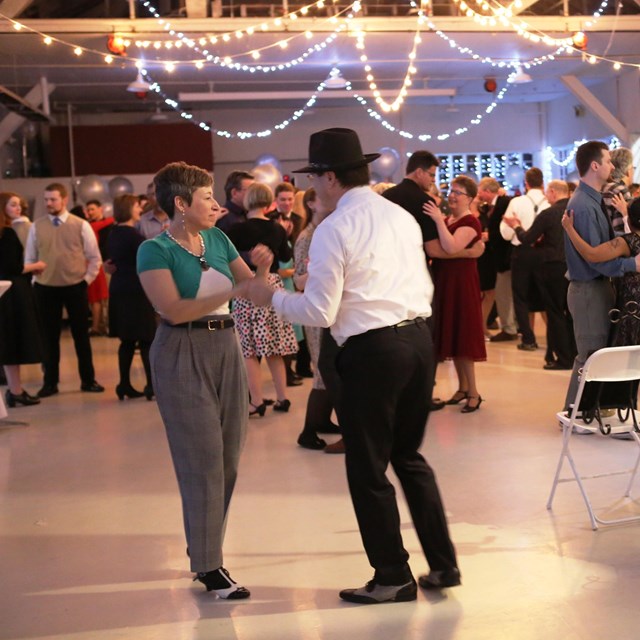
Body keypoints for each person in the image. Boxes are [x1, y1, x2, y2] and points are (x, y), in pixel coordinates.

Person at [247, 128, 459, 604]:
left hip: (374, 351)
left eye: (315, 177)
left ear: (329, 178)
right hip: (418, 341)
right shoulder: (399, 215)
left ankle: (392, 576)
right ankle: (443, 566)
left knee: (367, 467)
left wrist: (272, 297)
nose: (313, 188)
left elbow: (320, 312)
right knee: (408, 457)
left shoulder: (334, 228)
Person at [137, 161, 268, 598]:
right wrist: (234, 289)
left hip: (226, 346)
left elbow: (250, 288)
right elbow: (173, 310)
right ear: (180, 203)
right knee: (203, 461)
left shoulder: (217, 237)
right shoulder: (154, 250)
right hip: (181, 351)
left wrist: (269, 276)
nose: (215, 204)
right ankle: (210, 566)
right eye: (206, 197)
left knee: (227, 458)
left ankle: (205, 552)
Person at [562, 140, 640, 414]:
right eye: (607, 161)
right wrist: (632, 264)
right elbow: (595, 259)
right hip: (588, 288)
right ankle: (576, 413)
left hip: (596, 287)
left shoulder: (592, 200)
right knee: (589, 356)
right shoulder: (583, 205)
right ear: (594, 166)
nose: (611, 166)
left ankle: (588, 410)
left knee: (595, 354)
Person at [24, 183, 104, 397]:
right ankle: (50, 382)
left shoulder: (80, 225)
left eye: (53, 199)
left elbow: (95, 257)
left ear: (64, 199)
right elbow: (30, 257)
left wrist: (85, 281)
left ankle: (88, 380)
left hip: (75, 286)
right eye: (46, 200)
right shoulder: (37, 226)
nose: (49, 203)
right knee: (49, 338)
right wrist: (34, 282)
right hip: (45, 288)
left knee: (81, 336)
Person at [226, 183, 299, 415]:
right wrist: (286, 235)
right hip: (273, 287)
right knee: (275, 349)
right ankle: (282, 397)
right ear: (269, 202)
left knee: (250, 350)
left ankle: (256, 401)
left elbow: (227, 261)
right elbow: (287, 256)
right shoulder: (277, 229)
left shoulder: (237, 230)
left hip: (248, 288)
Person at [424, 175, 486, 413]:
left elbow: (448, 247)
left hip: (461, 285)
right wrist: (468, 253)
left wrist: (439, 221)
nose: (451, 195)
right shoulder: (452, 219)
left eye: (457, 192)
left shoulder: (470, 222)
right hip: (447, 282)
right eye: (451, 190)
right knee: (455, 335)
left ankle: (474, 392)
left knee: (465, 337)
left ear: (469, 198)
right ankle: (462, 388)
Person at [503, 180, 576, 369]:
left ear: (552, 192)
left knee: (555, 313)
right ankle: (572, 354)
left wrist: (516, 225)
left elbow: (527, 239)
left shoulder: (549, 214)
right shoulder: (576, 209)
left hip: (553, 267)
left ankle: (563, 358)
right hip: (575, 266)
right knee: (571, 313)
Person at [293, 188, 341, 451]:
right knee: (324, 372)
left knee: (330, 369)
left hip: (329, 308)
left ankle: (322, 420)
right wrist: (324, 271)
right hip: (315, 310)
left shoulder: (327, 231)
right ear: (311, 204)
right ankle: (308, 431)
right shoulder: (307, 237)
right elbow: (298, 278)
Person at [563, 198, 640, 347]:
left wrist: (569, 229)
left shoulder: (628, 242)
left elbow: (592, 255)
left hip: (633, 310)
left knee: (627, 361)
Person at [107, 194, 156, 401]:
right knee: (146, 339)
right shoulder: (132, 235)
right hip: (135, 289)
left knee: (127, 340)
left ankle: (124, 384)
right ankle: (151, 385)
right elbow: (149, 257)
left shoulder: (112, 233)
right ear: (129, 208)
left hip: (119, 286)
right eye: (137, 206)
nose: (140, 209)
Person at [0, 192, 46, 407]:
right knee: (13, 342)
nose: (18, 209)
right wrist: (35, 267)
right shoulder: (7, 233)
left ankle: (15, 389)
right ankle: (15, 390)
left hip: (8, 291)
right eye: (13, 205)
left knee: (9, 343)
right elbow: (12, 267)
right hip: (12, 293)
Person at [499, 168, 550, 351]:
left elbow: (505, 233)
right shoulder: (549, 202)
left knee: (521, 297)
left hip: (521, 253)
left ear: (526, 183)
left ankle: (528, 339)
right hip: (545, 253)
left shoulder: (517, 202)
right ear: (542, 183)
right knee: (547, 296)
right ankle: (553, 338)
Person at [477, 178, 516, 341]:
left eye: (480, 190)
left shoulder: (505, 202)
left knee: (503, 294)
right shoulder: (488, 206)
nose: (479, 194)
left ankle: (510, 328)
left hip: (504, 256)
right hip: (494, 258)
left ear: (487, 190)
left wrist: (489, 236)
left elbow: (505, 229)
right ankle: (509, 326)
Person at [84, 199, 113, 336]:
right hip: (93, 264)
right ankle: (98, 326)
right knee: (95, 297)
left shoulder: (110, 224)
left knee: (106, 298)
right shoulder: (86, 226)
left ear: (100, 209)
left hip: (108, 264)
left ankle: (108, 326)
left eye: (92, 209)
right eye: (88, 210)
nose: (90, 212)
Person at [216, 170, 254, 235]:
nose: (254, 194)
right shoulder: (224, 219)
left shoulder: (248, 214)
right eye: (250, 190)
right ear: (234, 193)